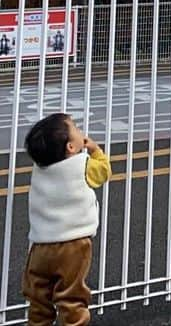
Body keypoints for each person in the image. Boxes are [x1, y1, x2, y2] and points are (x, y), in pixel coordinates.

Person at [23, 113, 111, 326]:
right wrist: (96, 151)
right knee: (71, 297)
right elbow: (104, 172)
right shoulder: (83, 165)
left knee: (38, 298)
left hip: (40, 247)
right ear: (71, 147)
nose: (81, 131)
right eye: (77, 128)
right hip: (73, 245)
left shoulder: (41, 169)